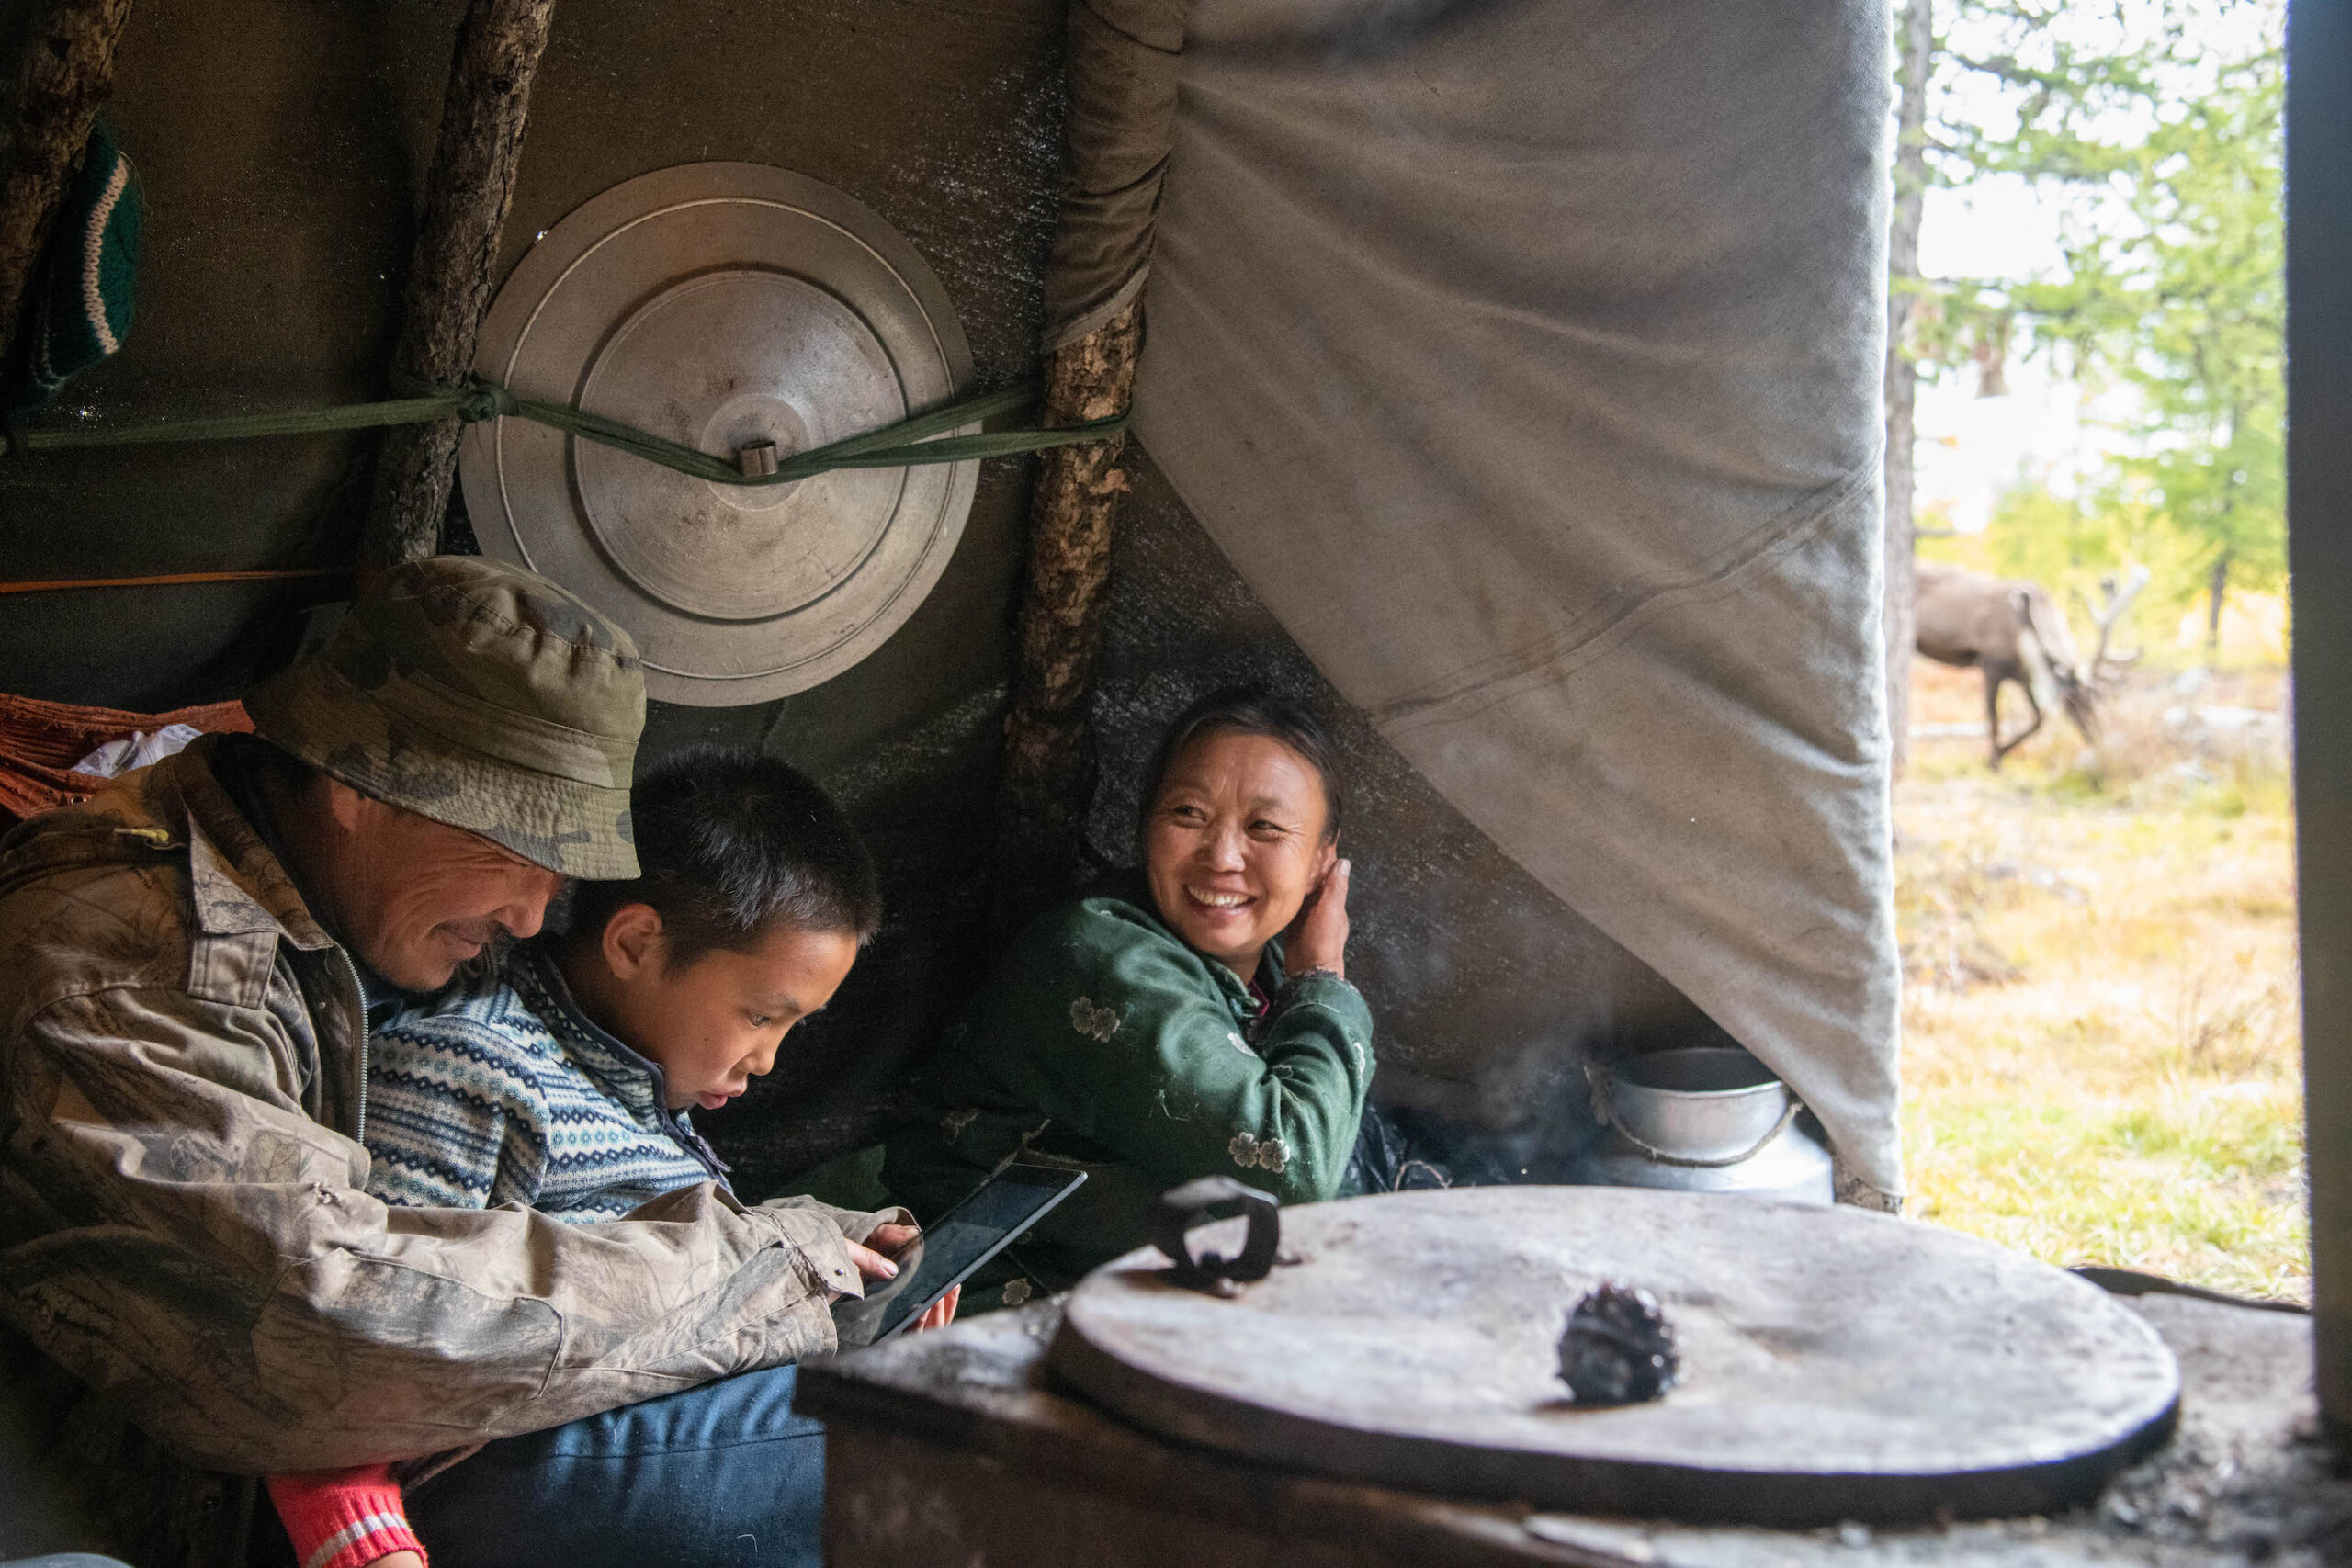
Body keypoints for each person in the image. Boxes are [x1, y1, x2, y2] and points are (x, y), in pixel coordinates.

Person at [0, 558, 917, 1568]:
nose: (530, 917)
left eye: (556, 875)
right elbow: (326, 1332)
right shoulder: (121, 967)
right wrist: (741, 1268)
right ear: (358, 786)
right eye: (512, 854)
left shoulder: (326, 903)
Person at [264, 747, 959, 1568]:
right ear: (634, 942)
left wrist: (836, 1269)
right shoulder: (474, 1066)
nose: (768, 1059)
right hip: (487, 1475)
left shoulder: (630, 1080)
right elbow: (357, 1339)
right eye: (760, 1016)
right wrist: (359, 1533)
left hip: (609, 1436)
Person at [886, 684, 1375, 1302]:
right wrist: (1323, 982)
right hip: (991, 1306)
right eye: (1189, 814)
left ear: (1320, 864)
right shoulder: (1102, 955)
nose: (1222, 855)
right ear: (1146, 823)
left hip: (1130, 1296)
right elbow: (1294, 1165)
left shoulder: (1275, 964)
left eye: (1265, 828)